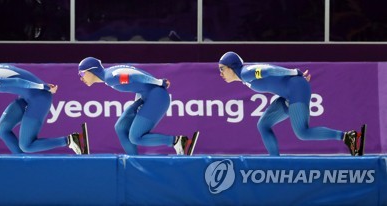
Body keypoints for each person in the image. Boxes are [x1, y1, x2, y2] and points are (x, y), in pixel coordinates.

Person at [217, 51, 365, 156]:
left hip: (297, 89)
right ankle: (275, 161)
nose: (221, 74)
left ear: (231, 67)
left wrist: (293, 73)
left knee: (302, 132)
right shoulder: (244, 77)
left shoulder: (245, 72)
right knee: (263, 125)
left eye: (222, 69)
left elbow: (268, 70)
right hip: (288, 93)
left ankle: (348, 137)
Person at [0, 54, 89, 154]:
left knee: (27, 146)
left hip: (39, 99)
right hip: (28, 97)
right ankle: (21, 162)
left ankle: (71, 139)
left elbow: (18, 82)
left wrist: (43, 86)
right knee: (2, 129)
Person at [78, 57, 199, 155]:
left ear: (91, 71)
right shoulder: (109, 74)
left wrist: (159, 82)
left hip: (157, 98)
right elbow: (136, 82)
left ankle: (178, 141)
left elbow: (134, 77)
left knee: (135, 137)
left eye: (82, 73)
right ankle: (134, 163)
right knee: (120, 127)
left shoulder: (110, 78)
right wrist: (137, 103)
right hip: (146, 97)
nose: (81, 78)